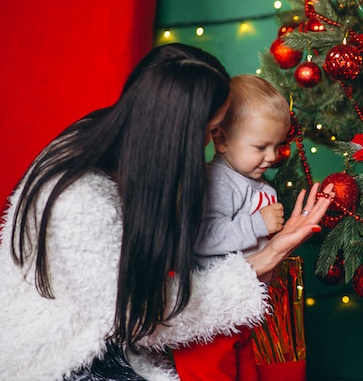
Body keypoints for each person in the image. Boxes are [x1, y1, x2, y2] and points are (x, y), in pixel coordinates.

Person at [0, 43, 334, 381]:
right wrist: (263, 259)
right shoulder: (81, 201)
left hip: (122, 329)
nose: (210, 142)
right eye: (209, 130)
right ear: (180, 133)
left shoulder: (122, 146)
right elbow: (141, 319)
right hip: (67, 352)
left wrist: (270, 252)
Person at [172, 74, 292, 381]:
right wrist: (258, 223)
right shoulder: (217, 180)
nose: (272, 156)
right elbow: (202, 237)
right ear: (222, 139)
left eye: (277, 146)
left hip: (246, 307)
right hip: (211, 312)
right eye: (260, 146)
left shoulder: (258, 184)